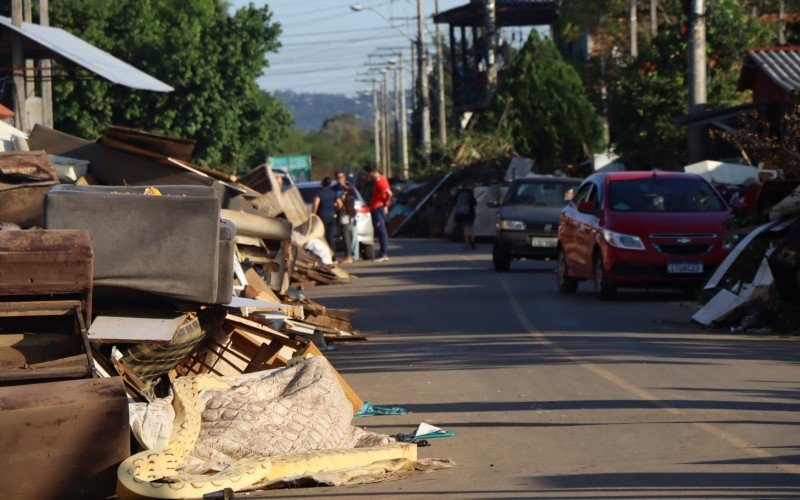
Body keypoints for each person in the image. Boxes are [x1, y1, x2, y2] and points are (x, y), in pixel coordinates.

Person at [363, 165, 392, 261]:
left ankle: (383, 254)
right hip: (377, 207)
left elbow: (389, 193)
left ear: (370, 172)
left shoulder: (380, 181)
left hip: (378, 208)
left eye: (366, 173)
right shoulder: (380, 179)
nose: (366, 176)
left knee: (381, 230)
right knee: (379, 230)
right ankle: (382, 252)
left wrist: (385, 205)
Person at [312, 177, 341, 257]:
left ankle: (324, 256)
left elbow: (315, 204)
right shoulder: (333, 193)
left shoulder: (319, 193)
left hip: (322, 217)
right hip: (331, 217)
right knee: (330, 237)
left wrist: (313, 214)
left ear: (322, 183)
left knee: (322, 237)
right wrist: (335, 210)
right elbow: (340, 204)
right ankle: (333, 256)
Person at [334, 170, 359, 263]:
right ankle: (348, 255)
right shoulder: (335, 189)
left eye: (342, 177)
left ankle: (353, 256)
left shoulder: (349, 187)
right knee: (345, 235)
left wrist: (344, 187)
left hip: (350, 214)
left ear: (344, 178)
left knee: (353, 235)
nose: (340, 179)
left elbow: (353, 193)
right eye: (338, 177)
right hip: (341, 214)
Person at [454, 179, 477, 250]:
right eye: (472, 186)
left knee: (465, 227)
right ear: (469, 185)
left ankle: (466, 242)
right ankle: (472, 240)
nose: (473, 187)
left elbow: (454, 201)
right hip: (470, 211)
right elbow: (474, 202)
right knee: (471, 226)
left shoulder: (459, 192)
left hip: (461, 212)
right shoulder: (470, 192)